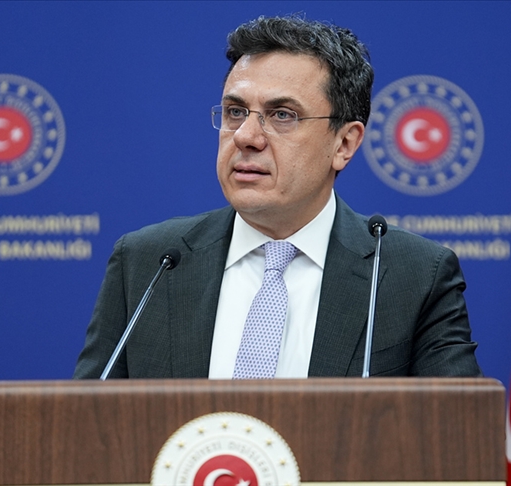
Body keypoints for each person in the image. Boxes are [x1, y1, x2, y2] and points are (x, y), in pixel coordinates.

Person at [74, 15, 481, 379]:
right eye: (235, 112)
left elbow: (455, 431)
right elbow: (87, 423)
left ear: (344, 143)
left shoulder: (414, 276)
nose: (246, 137)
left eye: (282, 115)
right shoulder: (147, 262)